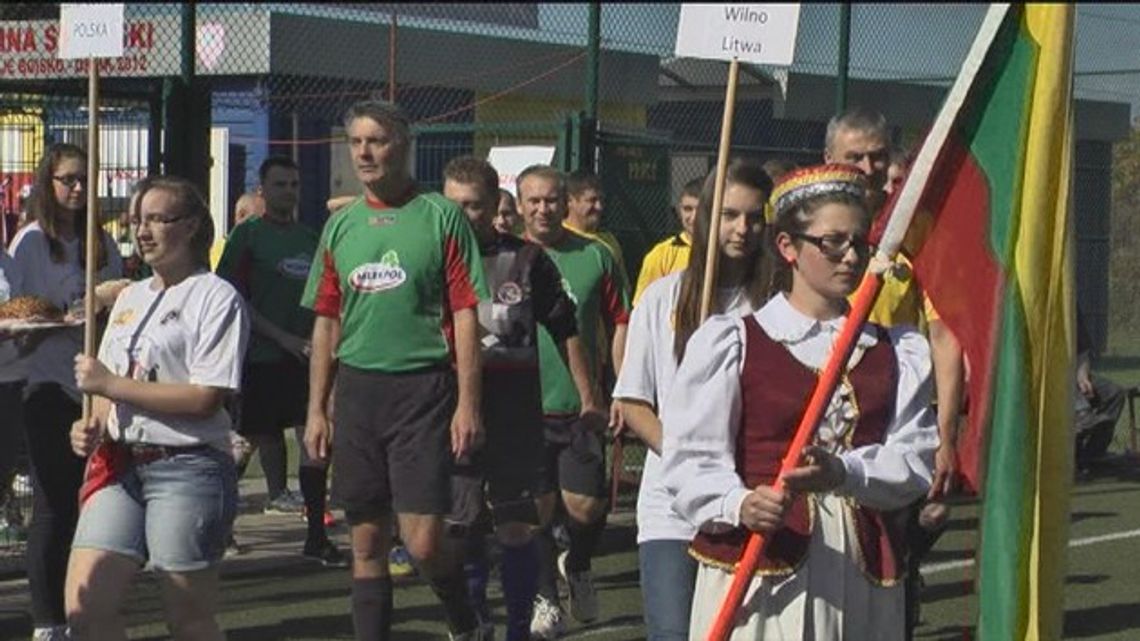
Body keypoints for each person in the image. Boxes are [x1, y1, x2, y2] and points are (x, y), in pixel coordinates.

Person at [662, 164, 939, 640]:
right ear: (788, 246)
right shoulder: (733, 341)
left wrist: (845, 473)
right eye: (831, 242)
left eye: (859, 242)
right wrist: (738, 502)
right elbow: (690, 458)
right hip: (764, 564)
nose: (850, 256)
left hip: (861, 565)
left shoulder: (898, 351)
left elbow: (914, 462)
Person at [301, 100, 488, 641]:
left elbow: (466, 313)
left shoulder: (440, 216)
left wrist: (468, 404)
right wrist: (317, 407)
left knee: (424, 542)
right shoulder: (341, 227)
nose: (364, 151)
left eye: (376, 140)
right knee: (365, 542)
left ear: (402, 143)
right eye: (355, 141)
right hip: (358, 395)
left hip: (423, 393)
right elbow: (326, 322)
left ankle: (463, 619)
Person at [63, 175, 248, 641]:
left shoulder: (216, 297)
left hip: (188, 466)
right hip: (120, 465)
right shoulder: (130, 296)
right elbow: (105, 391)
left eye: (156, 220)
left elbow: (206, 396)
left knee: (188, 618)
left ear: (189, 227)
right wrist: (89, 423)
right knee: (85, 608)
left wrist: (112, 385)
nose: (142, 231)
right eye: (136, 220)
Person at [615, 159, 773, 640]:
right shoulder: (662, 298)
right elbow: (634, 402)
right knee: (673, 632)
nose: (741, 228)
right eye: (728, 215)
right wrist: (690, 457)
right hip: (672, 507)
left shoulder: (775, 304)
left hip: (751, 500)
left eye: (753, 217)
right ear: (705, 217)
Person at [443, 156, 596, 641]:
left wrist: (589, 396)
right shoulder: (429, 259)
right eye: (453, 206)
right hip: (446, 407)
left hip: (512, 408)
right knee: (459, 524)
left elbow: (566, 327)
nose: (463, 216)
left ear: (495, 207)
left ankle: (516, 628)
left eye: (473, 205)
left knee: (516, 525)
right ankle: (470, 619)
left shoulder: (527, 261)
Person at [824, 109, 965, 638]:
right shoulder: (804, 228)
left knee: (892, 564)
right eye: (853, 156)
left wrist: (946, 435)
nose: (867, 166)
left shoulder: (918, 232)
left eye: (877, 155)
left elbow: (945, 339)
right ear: (829, 160)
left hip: (893, 431)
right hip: (823, 423)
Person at [9, 143, 124, 641]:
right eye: (67, 180)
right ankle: (47, 621)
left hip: (96, 386)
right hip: (48, 384)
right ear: (47, 184)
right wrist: (64, 312)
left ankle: (87, 613)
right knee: (54, 504)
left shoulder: (102, 241)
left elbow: (116, 304)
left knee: (94, 503)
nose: (78, 189)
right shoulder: (32, 242)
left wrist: (103, 306)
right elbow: (23, 317)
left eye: (84, 179)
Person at [516, 164, 630, 639]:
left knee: (585, 508)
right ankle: (545, 596)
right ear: (520, 205)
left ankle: (578, 563)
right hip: (520, 409)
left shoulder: (596, 256)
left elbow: (620, 321)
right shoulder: (504, 257)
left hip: (581, 406)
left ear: (566, 203)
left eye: (551, 200)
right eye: (534, 200)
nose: (543, 209)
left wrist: (623, 389)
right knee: (537, 509)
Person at [216, 156, 346, 567]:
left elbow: (329, 300)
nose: (288, 191)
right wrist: (281, 336)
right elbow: (231, 299)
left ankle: (316, 536)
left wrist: (318, 342)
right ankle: (220, 529)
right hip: (260, 358)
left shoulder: (312, 238)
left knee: (315, 439)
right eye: (279, 185)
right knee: (244, 443)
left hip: (307, 359)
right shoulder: (247, 237)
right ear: (262, 191)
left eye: (293, 184)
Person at [631, 177, 702, 307]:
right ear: (679, 210)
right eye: (688, 209)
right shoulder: (661, 255)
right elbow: (643, 307)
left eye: (701, 209)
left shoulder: (725, 252)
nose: (694, 217)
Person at [1074, 307, 1127, 474]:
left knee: (1114, 393)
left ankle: (1091, 455)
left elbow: (1082, 349)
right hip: (1050, 375)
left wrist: (1082, 376)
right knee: (1064, 380)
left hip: (1073, 371)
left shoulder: (1071, 305)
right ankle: (1082, 415)